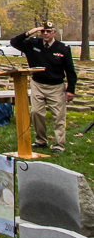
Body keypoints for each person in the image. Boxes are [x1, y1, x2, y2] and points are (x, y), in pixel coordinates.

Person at [10, 20, 77, 153]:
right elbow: (14, 42)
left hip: (56, 86)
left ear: (54, 33)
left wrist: (70, 90)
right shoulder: (33, 44)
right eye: (43, 31)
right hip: (38, 84)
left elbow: (70, 70)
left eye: (48, 31)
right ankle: (41, 140)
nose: (45, 34)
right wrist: (30, 32)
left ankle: (58, 145)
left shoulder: (62, 48)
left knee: (58, 116)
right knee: (36, 113)